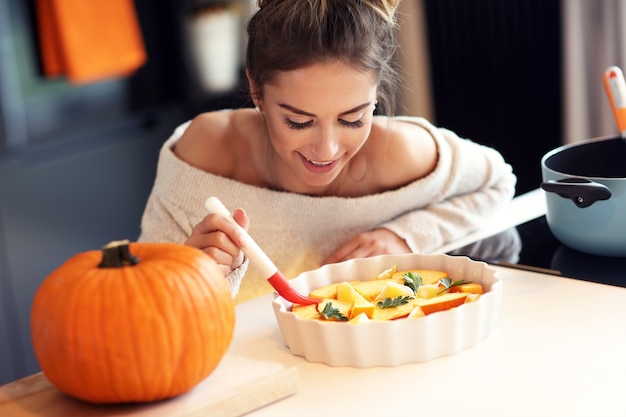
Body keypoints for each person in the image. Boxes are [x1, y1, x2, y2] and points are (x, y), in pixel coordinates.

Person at [138, 0, 517, 304]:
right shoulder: (206, 154)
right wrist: (199, 274)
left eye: (353, 119)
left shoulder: (402, 152)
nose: (327, 150)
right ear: (256, 91)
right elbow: (144, 309)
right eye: (299, 122)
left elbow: (499, 185)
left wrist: (405, 236)